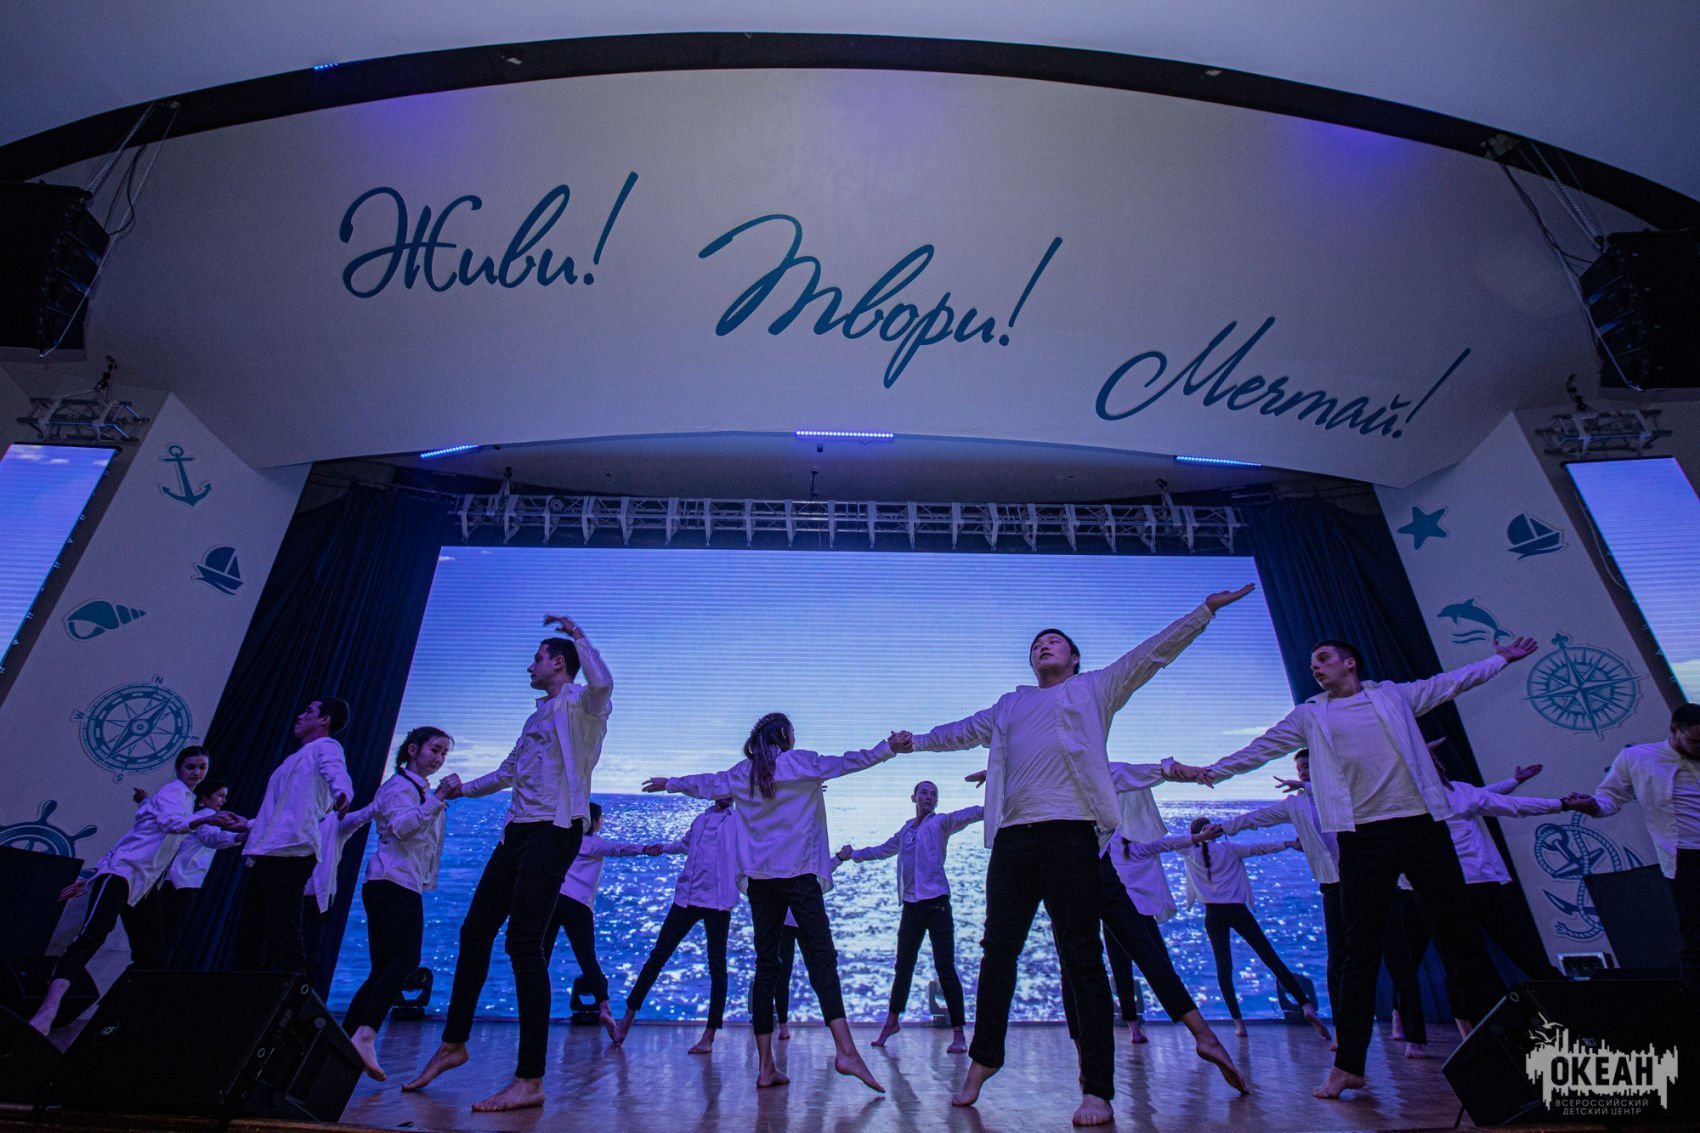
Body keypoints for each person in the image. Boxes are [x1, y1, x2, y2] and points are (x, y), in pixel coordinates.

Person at [905, 584, 1254, 1126]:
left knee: (1082, 959)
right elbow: (961, 731)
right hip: (1014, 840)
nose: (1042, 645)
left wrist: (1203, 611)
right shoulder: (1010, 705)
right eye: (1036, 644)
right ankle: (984, 1059)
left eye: (1054, 641)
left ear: (1073, 658)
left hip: (1072, 837)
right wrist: (915, 741)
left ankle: (1097, 1090)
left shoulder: (1095, 689)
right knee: (997, 953)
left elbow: (1152, 654)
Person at [1163, 635, 1538, 1098]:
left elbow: (1452, 682)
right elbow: (1260, 748)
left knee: (1463, 945)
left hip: (1423, 829)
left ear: (1350, 662)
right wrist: (1209, 772)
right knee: (1359, 953)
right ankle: (1348, 1066)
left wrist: (1500, 659)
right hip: (1363, 838)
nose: (1315, 666)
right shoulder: (1310, 715)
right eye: (1312, 662)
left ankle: (1509, 1057)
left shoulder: (1395, 696)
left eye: (1323, 658)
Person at [405, 615, 611, 1113]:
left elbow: (604, 682)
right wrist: (458, 791)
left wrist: (578, 634)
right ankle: (454, 1043)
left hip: (554, 832)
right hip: (516, 832)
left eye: (537, 658)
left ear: (558, 663)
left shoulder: (583, 705)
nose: (529, 666)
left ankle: (530, 1078)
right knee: (475, 931)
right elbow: (506, 773)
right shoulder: (536, 718)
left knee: (523, 943)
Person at [643, 712, 910, 1093]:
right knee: (822, 958)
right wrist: (888, 748)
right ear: (784, 735)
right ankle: (846, 1052)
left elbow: (708, 783)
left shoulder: (745, 772)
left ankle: (766, 1066)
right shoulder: (799, 763)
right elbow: (849, 762)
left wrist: (671, 783)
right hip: (799, 876)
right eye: (793, 733)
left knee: (766, 966)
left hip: (761, 882)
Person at [29, 747, 240, 1032]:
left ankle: (115, 1018)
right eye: (190, 767)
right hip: (122, 875)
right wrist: (206, 818)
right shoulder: (173, 791)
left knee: (152, 956)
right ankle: (49, 1007)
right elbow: (171, 823)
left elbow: (135, 835)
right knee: (92, 936)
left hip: (143, 885)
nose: (196, 773)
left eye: (202, 767)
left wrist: (90, 878)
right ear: (179, 769)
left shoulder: (186, 800)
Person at [1049, 795, 1243, 1093]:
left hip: (1071, 864)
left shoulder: (1112, 833)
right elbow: (1160, 840)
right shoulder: (1121, 839)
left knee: (1076, 966)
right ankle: (1204, 1036)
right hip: (1096, 873)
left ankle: (1087, 1058)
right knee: (1147, 957)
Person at [343, 726, 457, 1082]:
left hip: (398, 883)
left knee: (382, 970)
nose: (439, 758)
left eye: (444, 753)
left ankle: (345, 1039)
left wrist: (435, 798)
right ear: (412, 750)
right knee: (405, 961)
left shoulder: (417, 790)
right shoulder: (399, 788)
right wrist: (438, 798)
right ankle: (365, 1033)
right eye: (435, 750)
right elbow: (403, 827)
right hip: (392, 883)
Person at [835, 779, 981, 1052]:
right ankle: (891, 1022)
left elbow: (970, 814)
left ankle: (959, 1033)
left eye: (933, 794)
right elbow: (882, 850)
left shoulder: (940, 823)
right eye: (924, 793)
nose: (928, 797)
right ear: (913, 797)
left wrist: (994, 805)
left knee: (945, 967)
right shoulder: (906, 831)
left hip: (937, 904)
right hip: (912, 906)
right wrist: (852, 855)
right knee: (903, 967)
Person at [1567, 703, 1700, 994]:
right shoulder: (1639, 758)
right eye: (1695, 741)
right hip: (1687, 858)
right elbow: (1610, 797)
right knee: (1696, 935)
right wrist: (1591, 806)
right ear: (1674, 730)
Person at [1170, 817, 1324, 1038]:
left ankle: (1238, 1023)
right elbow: (1260, 848)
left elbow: (1171, 842)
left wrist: (1194, 838)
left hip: (1213, 914)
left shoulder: (1189, 853)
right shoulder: (1230, 849)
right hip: (1238, 911)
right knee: (1270, 957)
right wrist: (1289, 843)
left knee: (1224, 969)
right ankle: (1305, 1004)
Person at [236, 698, 354, 977]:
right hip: (269, 851)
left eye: (309, 711)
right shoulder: (293, 759)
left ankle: (291, 995)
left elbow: (336, 771)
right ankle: (245, 993)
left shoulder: (326, 746)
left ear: (324, 719)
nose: (300, 716)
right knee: (251, 933)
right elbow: (283, 807)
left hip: (291, 851)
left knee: (283, 933)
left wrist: (343, 792)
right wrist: (248, 824)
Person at [616, 795, 741, 1054]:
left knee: (717, 966)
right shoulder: (701, 819)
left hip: (718, 902)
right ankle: (628, 1015)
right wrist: (661, 847)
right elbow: (685, 844)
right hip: (686, 898)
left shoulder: (738, 822)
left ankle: (709, 1035)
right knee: (658, 955)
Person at [544, 801, 659, 1042]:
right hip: (578, 905)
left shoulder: (563, 839)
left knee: (541, 956)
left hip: (553, 900)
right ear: (594, 822)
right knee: (588, 959)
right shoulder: (595, 844)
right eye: (601, 818)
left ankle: (535, 1008)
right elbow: (620, 849)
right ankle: (604, 1007)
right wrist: (646, 848)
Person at [159, 777, 248, 964]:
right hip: (182, 881)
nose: (223, 801)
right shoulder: (206, 815)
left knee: (167, 933)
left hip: (180, 880)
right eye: (219, 796)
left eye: (225, 797)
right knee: (171, 934)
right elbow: (211, 838)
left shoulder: (200, 817)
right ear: (204, 798)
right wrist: (240, 836)